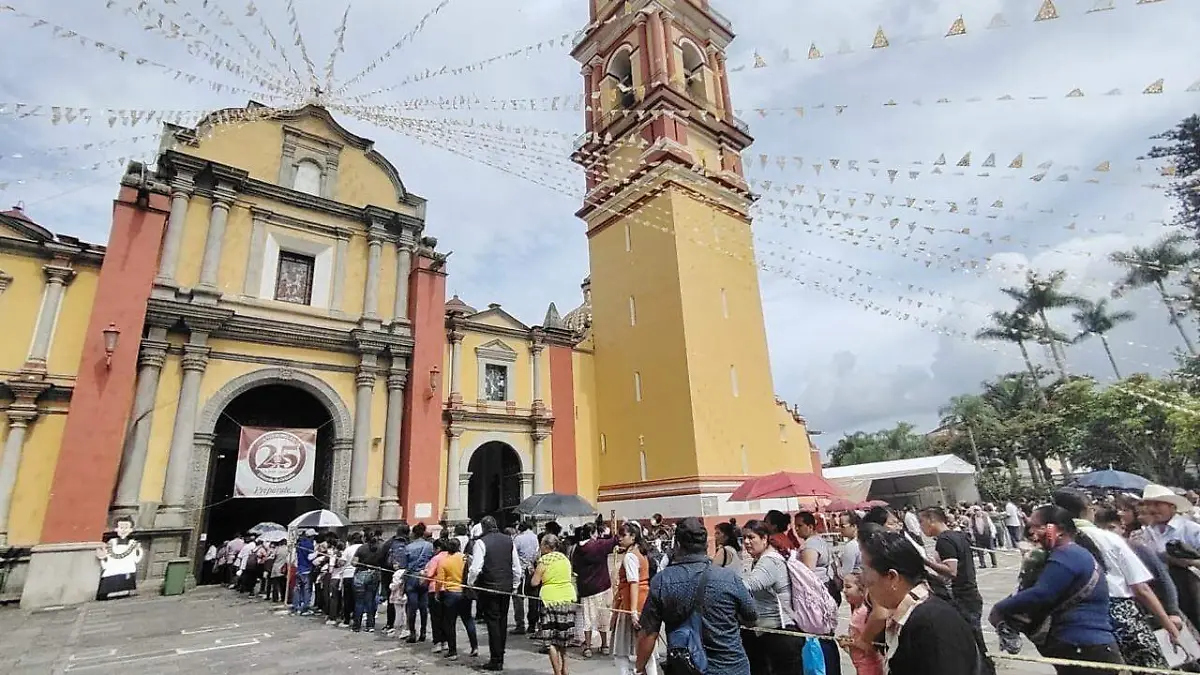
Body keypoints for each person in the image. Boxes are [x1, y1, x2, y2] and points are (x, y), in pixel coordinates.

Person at [990, 505, 1125, 674]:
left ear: (1059, 530)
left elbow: (1042, 593)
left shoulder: (1067, 555)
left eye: (1037, 526)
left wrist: (1000, 608)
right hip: (1082, 645)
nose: (1031, 532)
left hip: (1083, 645)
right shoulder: (1067, 554)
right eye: (1029, 526)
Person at [1053, 489, 1178, 668]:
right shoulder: (1109, 539)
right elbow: (1141, 588)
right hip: (1122, 614)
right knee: (1150, 668)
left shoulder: (1052, 545)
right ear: (1088, 509)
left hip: (1080, 622)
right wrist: (1169, 626)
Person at [636, 517, 757, 675]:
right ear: (706, 545)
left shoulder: (662, 581)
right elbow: (751, 616)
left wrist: (639, 668)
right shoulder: (729, 578)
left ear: (677, 545)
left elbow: (648, 632)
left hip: (686, 667)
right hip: (731, 666)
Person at [859, 529, 982, 674]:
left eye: (865, 571)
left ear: (892, 577)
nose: (863, 581)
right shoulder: (908, 616)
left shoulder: (931, 622)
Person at [920, 507, 991, 674]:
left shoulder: (944, 539)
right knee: (974, 638)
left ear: (932, 520)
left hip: (962, 595)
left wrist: (926, 562)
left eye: (922, 522)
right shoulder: (956, 535)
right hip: (970, 593)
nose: (921, 527)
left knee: (973, 640)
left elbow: (952, 571)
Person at [739, 519, 805, 675]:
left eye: (751, 537)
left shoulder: (769, 561)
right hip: (773, 632)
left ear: (764, 538)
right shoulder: (763, 559)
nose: (747, 542)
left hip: (781, 633)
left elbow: (747, 585)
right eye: (744, 538)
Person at [1139, 483, 1200, 630]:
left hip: (1191, 589)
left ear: (1172, 506)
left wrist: (1182, 561)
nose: (1152, 509)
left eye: (1158, 504)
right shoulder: (1148, 532)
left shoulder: (1190, 529)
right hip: (1164, 590)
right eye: (1148, 504)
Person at [467, 515, 523, 671]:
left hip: (489, 587)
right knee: (502, 621)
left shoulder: (481, 542)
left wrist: (470, 583)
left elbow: (476, 568)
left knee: (492, 622)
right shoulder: (508, 540)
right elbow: (516, 567)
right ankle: (500, 654)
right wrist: (515, 585)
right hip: (505, 587)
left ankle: (495, 658)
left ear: (484, 527)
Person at [611, 521, 656, 675]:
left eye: (623, 535)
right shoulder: (641, 552)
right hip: (644, 601)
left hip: (632, 605)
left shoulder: (631, 555)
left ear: (633, 536)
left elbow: (633, 582)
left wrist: (633, 611)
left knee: (621, 650)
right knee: (646, 648)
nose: (620, 538)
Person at [572, 520, 618, 657]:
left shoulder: (577, 549)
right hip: (601, 586)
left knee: (588, 618)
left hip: (585, 588)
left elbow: (575, 568)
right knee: (603, 617)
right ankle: (604, 645)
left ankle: (587, 647)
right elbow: (614, 540)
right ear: (593, 533)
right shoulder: (598, 545)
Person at [533, 533, 576, 675]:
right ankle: (565, 669)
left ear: (546, 546)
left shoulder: (544, 560)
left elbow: (534, 582)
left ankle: (557, 672)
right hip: (567, 598)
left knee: (550, 639)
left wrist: (533, 572)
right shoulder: (564, 558)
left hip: (550, 599)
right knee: (563, 637)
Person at [436, 538, 478, 660]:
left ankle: (453, 651)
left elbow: (440, 581)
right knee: (468, 619)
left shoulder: (444, 561)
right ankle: (474, 647)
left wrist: (438, 593)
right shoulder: (465, 558)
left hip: (451, 593)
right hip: (465, 592)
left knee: (450, 623)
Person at [841, 572, 884, 675]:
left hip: (869, 666)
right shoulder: (857, 609)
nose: (844, 590)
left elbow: (871, 646)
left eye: (848, 587)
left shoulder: (863, 613)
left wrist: (849, 642)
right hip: (861, 664)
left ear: (861, 590)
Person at [95, 516, 143, 601]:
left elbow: (137, 558)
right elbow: (106, 555)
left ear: (131, 529)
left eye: (126, 528)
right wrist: (103, 557)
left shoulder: (133, 543)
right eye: (121, 527)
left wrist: (138, 550)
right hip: (113, 567)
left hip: (127, 567)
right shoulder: (111, 542)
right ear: (116, 529)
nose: (123, 530)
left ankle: (124, 590)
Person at [404, 523, 435, 643]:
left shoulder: (408, 547)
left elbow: (403, 563)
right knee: (423, 606)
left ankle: (412, 632)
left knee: (412, 607)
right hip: (424, 576)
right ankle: (423, 631)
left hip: (412, 577)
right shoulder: (429, 546)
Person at [512, 519, 540, 635]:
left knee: (518, 598)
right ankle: (532, 624)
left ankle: (520, 624)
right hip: (533, 570)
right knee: (533, 599)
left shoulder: (518, 539)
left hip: (521, 571)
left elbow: (513, 555)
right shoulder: (535, 538)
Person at [381, 524, 409, 635]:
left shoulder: (389, 543)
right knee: (406, 602)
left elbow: (381, 557)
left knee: (391, 600)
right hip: (407, 575)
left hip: (390, 575)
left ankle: (390, 624)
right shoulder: (410, 543)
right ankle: (407, 627)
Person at [351, 533, 383, 633]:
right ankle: (370, 625)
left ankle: (356, 626)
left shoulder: (361, 548)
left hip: (361, 574)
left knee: (359, 601)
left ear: (365, 538)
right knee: (371, 601)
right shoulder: (380, 548)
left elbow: (354, 563)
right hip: (374, 575)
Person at [425, 539, 451, 653]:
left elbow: (430, 574)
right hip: (449, 589)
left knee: (436, 618)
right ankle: (446, 641)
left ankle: (438, 642)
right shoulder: (451, 556)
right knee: (446, 617)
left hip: (435, 589)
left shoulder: (436, 558)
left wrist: (423, 574)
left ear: (438, 548)